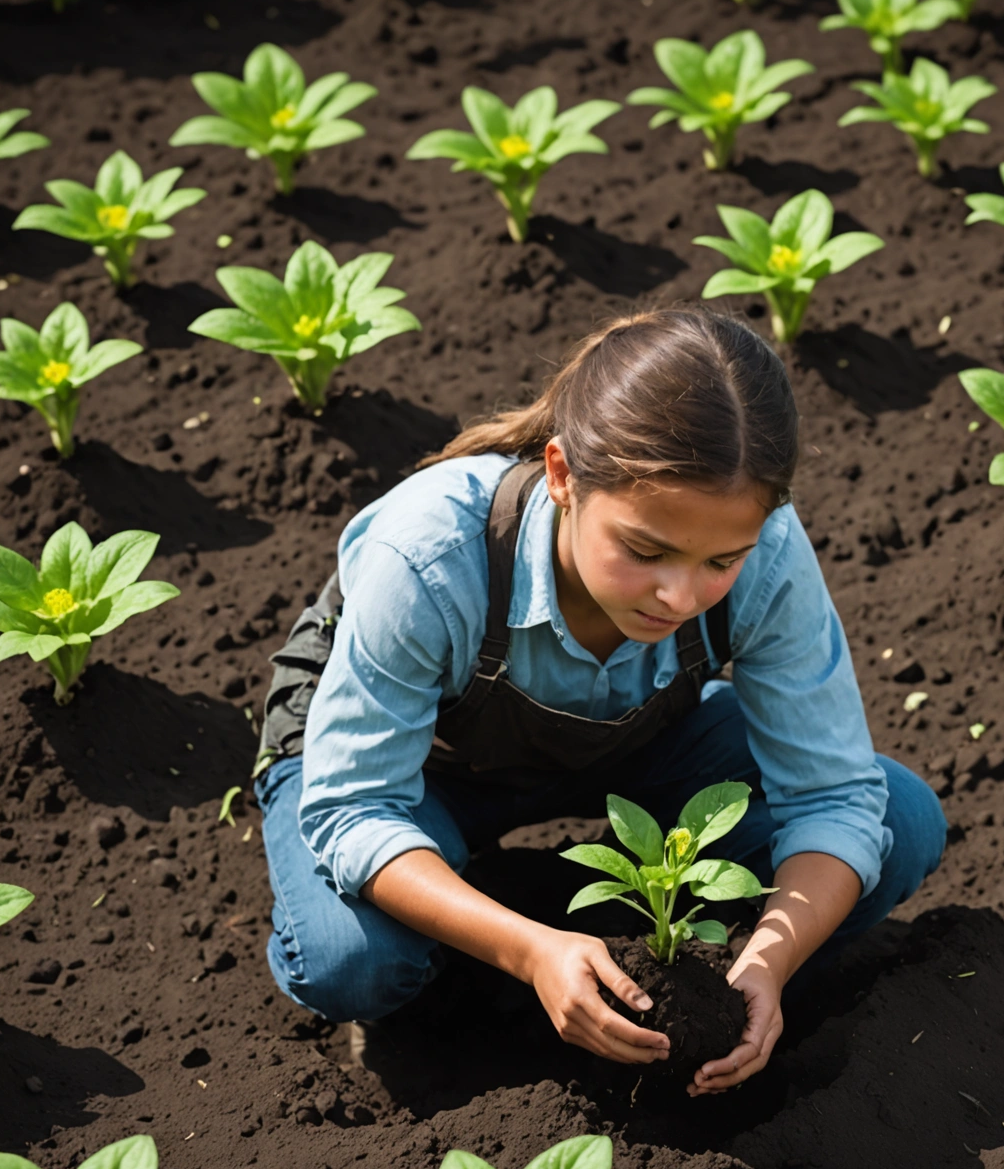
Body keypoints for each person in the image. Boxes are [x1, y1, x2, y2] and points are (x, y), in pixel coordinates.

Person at [255, 306, 946, 1095]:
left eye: (721, 560)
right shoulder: (432, 555)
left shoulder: (770, 554)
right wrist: (529, 951)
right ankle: (508, 937)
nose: (680, 596)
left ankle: (547, 918)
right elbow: (355, 807)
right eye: (645, 551)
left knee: (900, 821)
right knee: (354, 960)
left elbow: (835, 795)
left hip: (633, 741)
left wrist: (766, 965)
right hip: (427, 770)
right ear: (561, 476)